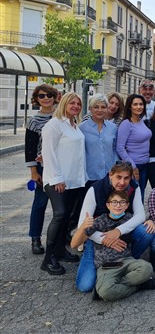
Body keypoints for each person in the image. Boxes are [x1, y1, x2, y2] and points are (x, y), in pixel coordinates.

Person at [75, 161, 155, 293]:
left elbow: (140, 215)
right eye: (119, 177)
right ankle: (122, 275)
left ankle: (128, 262)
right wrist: (105, 239)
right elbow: (82, 224)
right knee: (85, 286)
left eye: (126, 178)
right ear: (110, 175)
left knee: (146, 232)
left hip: (122, 234)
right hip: (97, 238)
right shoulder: (95, 189)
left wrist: (118, 231)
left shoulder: (133, 187)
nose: (122, 182)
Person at [71, 190, 155, 301]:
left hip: (127, 261)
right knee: (106, 292)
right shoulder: (99, 221)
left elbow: (143, 222)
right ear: (108, 205)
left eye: (122, 202)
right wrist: (83, 226)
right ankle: (139, 285)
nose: (118, 205)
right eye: (114, 202)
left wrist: (150, 221)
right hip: (107, 266)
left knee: (147, 268)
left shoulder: (129, 218)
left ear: (127, 205)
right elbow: (74, 244)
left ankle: (115, 285)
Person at [40, 92, 87, 275]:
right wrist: (57, 178)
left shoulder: (74, 125)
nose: (75, 106)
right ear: (64, 104)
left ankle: (60, 250)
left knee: (67, 216)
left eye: (78, 104)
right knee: (59, 215)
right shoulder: (54, 124)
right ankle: (48, 258)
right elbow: (48, 153)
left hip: (73, 181)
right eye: (72, 103)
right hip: (57, 180)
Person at [24, 84, 57, 255]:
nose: (46, 98)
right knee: (40, 203)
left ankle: (60, 237)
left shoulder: (61, 115)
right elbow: (30, 148)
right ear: (36, 99)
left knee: (61, 206)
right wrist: (34, 172)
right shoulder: (34, 120)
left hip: (61, 166)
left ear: (54, 97)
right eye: (42, 96)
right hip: (43, 168)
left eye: (49, 95)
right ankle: (35, 238)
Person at [116, 94, 152, 201]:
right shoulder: (126, 123)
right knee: (132, 198)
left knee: (140, 197)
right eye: (135, 104)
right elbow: (120, 147)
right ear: (130, 107)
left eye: (141, 104)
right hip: (133, 166)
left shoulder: (141, 121)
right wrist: (132, 166)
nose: (139, 107)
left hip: (145, 164)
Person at [80, 94, 118, 186]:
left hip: (110, 175)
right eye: (96, 107)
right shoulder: (82, 128)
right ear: (90, 109)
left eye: (103, 107)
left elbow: (114, 149)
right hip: (89, 176)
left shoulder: (113, 128)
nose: (100, 110)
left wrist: (115, 167)